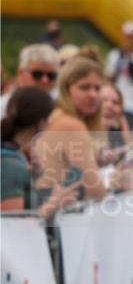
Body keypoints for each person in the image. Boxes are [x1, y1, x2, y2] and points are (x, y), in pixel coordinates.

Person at [34, 58, 113, 205]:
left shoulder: (55, 117)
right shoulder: (71, 125)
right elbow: (95, 190)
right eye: (84, 88)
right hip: (56, 217)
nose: (93, 95)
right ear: (66, 89)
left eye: (97, 88)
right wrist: (113, 183)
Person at [1, 86, 79, 215]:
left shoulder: (14, 156)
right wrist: (53, 204)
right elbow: (12, 225)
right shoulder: (10, 164)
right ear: (41, 123)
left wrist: (34, 176)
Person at [0, 44, 60, 116]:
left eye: (51, 75)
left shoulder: (62, 107)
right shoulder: (3, 106)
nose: (45, 80)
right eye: (37, 74)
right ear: (21, 73)